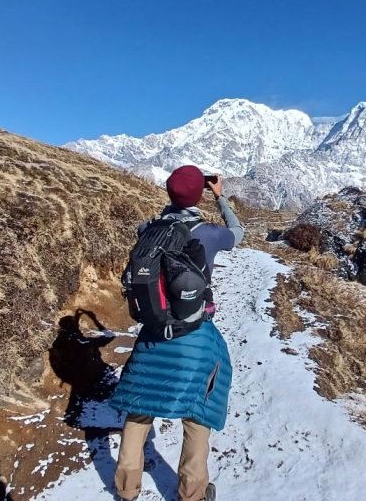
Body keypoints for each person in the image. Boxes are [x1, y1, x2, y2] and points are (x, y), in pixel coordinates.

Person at [110, 165, 244, 501]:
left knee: (140, 407)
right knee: (197, 413)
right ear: (199, 193)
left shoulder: (149, 229)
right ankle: (192, 493)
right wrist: (220, 196)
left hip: (153, 330)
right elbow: (238, 233)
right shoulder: (208, 233)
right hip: (195, 333)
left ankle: (126, 489)